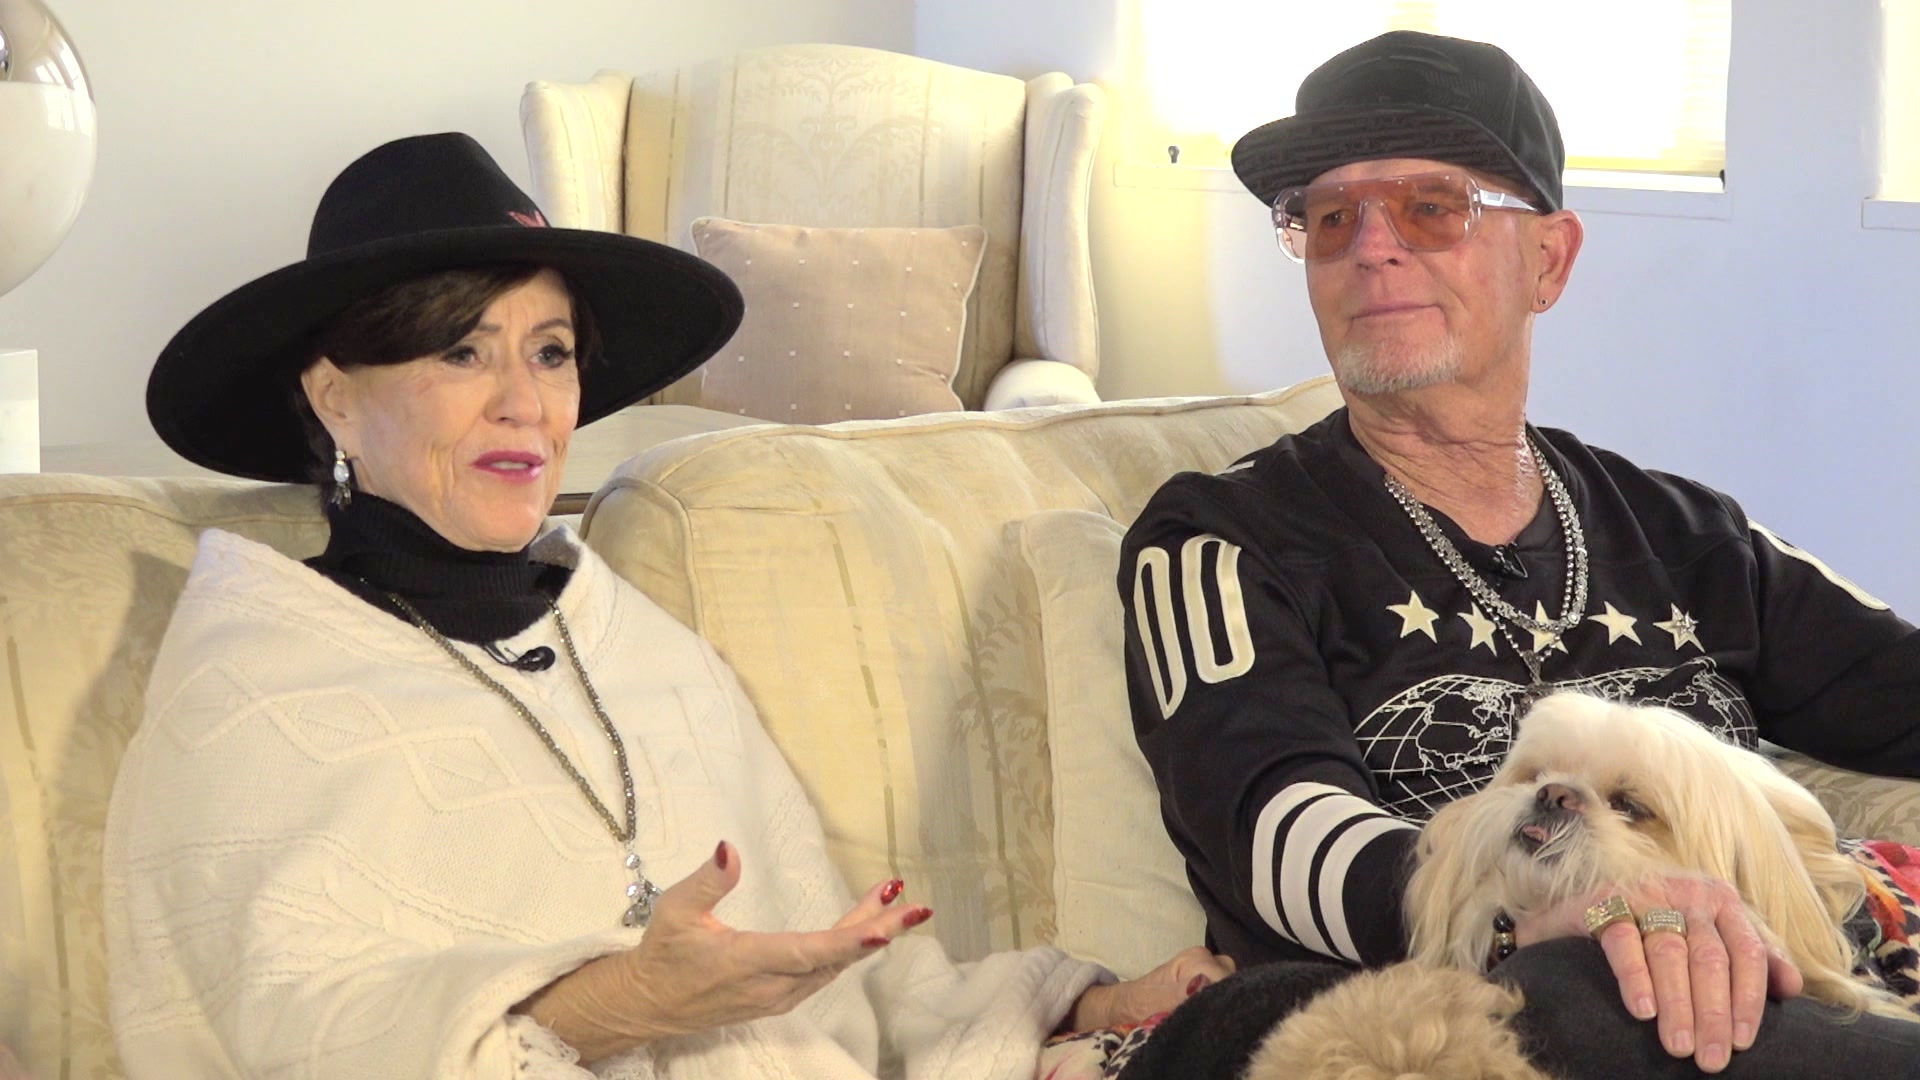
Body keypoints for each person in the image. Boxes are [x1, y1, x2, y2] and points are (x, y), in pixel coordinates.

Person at [102, 132, 1230, 1079]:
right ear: (335, 398)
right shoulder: (252, 689)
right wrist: (623, 1001)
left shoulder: (640, 646)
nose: (524, 405)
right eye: (462, 352)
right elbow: (298, 1030)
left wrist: (1093, 1008)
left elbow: (852, 997)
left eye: (551, 353)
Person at [1115, 31, 1920, 1079]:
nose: (1370, 247)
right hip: (1442, 1016)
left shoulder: (1679, 531)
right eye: (1329, 217)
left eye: (1430, 207)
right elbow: (1273, 832)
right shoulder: (1219, 538)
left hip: (1741, 1001)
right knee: (1583, 983)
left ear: (1548, 259)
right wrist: (1524, 918)